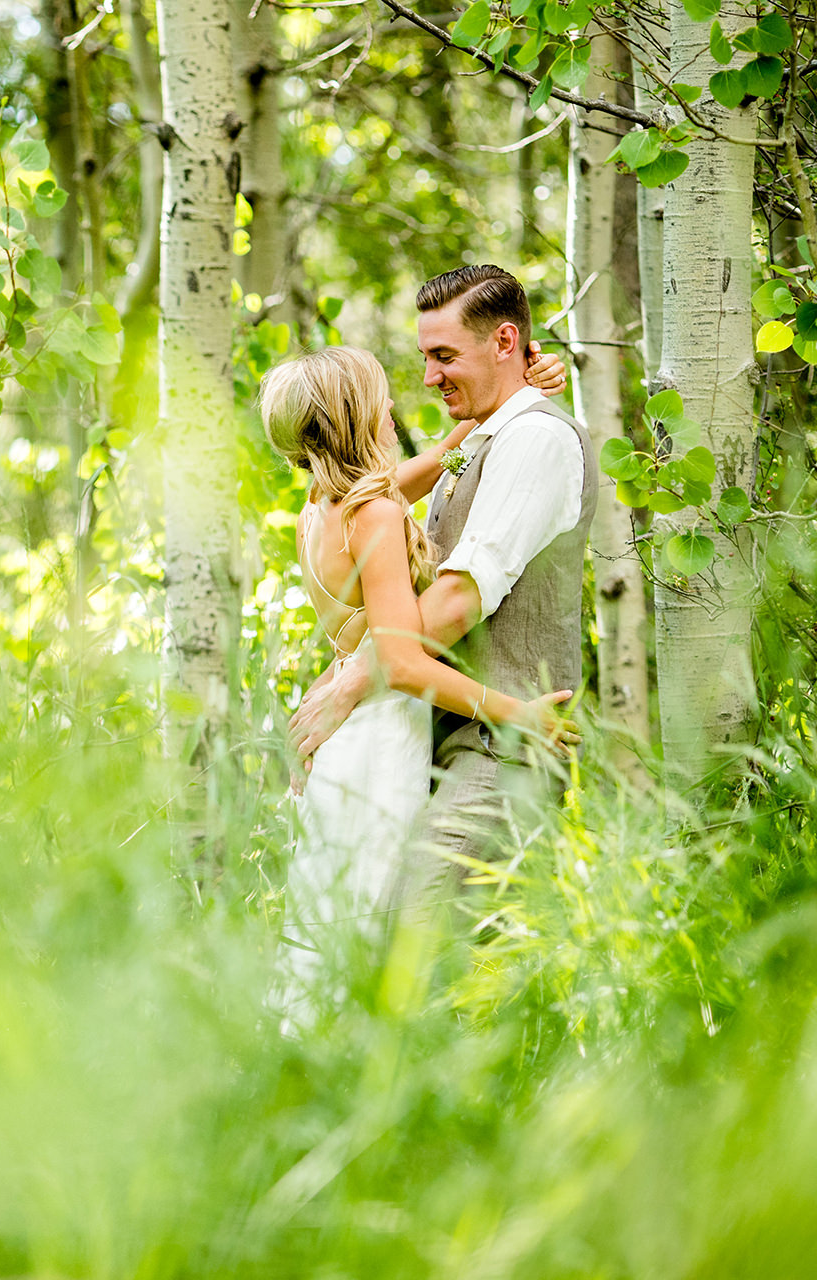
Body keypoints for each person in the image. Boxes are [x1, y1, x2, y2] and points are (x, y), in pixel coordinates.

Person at [286, 265, 598, 967]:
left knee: (408, 951)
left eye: (443, 356)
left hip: (502, 746)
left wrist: (353, 678)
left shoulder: (536, 441)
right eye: (425, 357)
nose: (427, 378)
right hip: (436, 742)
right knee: (390, 954)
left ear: (506, 340)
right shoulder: (485, 440)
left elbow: (457, 600)